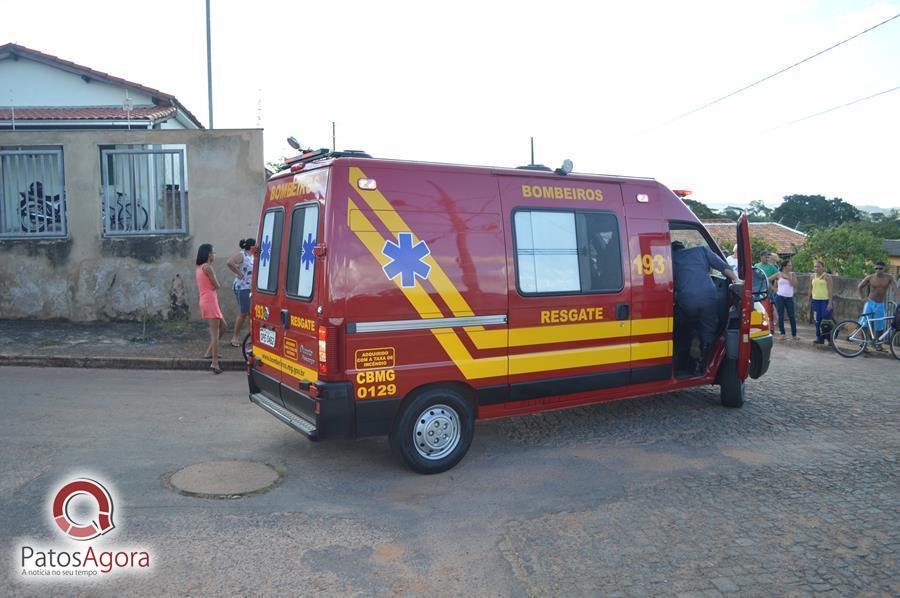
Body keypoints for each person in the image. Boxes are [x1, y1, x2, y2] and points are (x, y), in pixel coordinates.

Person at [671, 241, 739, 374]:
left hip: (686, 299)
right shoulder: (701, 251)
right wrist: (737, 281)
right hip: (708, 296)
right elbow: (724, 267)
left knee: (681, 321)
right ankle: (703, 357)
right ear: (684, 247)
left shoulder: (671, 258)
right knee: (709, 324)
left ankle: (689, 340)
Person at [195, 244, 227, 374]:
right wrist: (214, 286)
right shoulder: (208, 267)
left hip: (207, 300)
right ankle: (214, 363)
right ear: (209, 254)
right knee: (215, 334)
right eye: (214, 252)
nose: (215, 254)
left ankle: (209, 352)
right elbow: (217, 285)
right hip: (210, 301)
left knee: (223, 326)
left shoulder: (199, 268)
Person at [227, 238, 256, 347]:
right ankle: (235, 336)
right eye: (256, 246)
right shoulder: (242, 254)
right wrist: (239, 273)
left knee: (250, 313)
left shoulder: (252, 256)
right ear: (252, 247)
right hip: (242, 287)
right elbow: (229, 262)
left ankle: (251, 336)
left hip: (250, 288)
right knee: (243, 312)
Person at [857, 261, 897, 339]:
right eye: (876, 268)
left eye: (880, 268)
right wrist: (863, 298)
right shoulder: (870, 277)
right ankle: (863, 343)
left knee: (879, 325)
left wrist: (898, 297)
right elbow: (860, 286)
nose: (878, 270)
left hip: (880, 304)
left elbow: (895, 289)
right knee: (864, 323)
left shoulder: (889, 278)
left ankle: (878, 344)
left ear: (884, 268)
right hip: (870, 303)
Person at [772, 259, 798, 340]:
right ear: (784, 266)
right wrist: (773, 289)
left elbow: (794, 285)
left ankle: (794, 335)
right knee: (781, 316)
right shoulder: (778, 274)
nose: (791, 267)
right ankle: (782, 334)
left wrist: (788, 277)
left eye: (791, 265)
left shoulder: (792, 274)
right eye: (789, 265)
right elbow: (768, 279)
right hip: (780, 297)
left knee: (792, 316)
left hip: (789, 298)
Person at [810, 259, 833, 345]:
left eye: (818, 266)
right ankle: (819, 338)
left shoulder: (827, 277)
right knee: (817, 320)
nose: (816, 268)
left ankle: (829, 339)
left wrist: (830, 303)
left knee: (826, 320)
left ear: (823, 267)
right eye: (815, 266)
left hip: (825, 301)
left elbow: (830, 290)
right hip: (815, 301)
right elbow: (810, 288)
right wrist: (809, 300)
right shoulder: (812, 276)